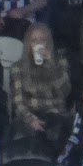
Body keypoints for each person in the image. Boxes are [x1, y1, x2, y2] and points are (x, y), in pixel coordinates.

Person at [9, 23, 71, 151]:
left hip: (56, 114)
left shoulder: (60, 62)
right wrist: (31, 119)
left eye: (42, 39)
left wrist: (51, 66)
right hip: (30, 115)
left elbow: (64, 92)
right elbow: (17, 101)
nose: (38, 44)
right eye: (34, 40)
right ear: (28, 44)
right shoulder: (18, 67)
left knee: (56, 134)